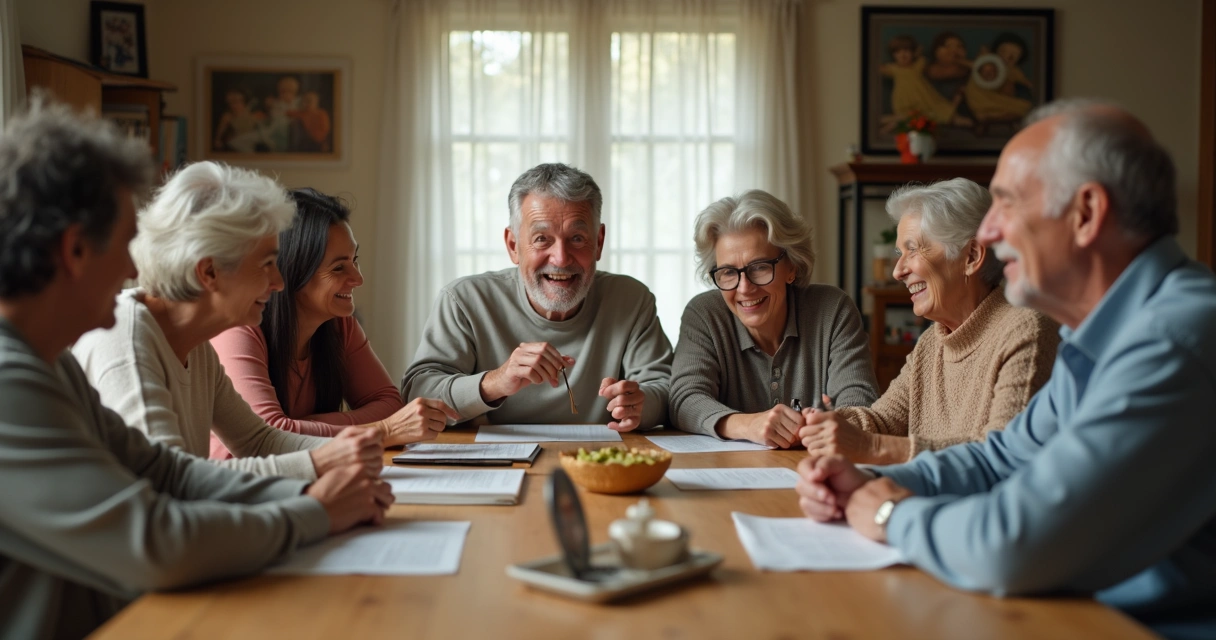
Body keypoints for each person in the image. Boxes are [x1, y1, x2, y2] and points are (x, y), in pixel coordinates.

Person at [796, 100, 1216, 639]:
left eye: (1006, 203)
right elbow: (1004, 457)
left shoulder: (1173, 340)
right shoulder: (1100, 331)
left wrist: (888, 515)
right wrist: (870, 480)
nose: (989, 233)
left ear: (1086, 213)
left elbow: (1014, 543)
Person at [0, 98, 391, 639]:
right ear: (74, 250)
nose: (132, 266)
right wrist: (315, 512)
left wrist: (315, 487)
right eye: (122, 242)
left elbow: (169, 471)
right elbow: (156, 539)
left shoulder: (50, 364)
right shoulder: (12, 380)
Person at [73, 161, 384, 481]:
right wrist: (321, 463)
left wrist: (345, 448)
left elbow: (259, 440)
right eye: (266, 264)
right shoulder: (127, 340)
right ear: (208, 272)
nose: (279, 282)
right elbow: (169, 479)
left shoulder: (194, 342)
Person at [798, 178, 1058, 463]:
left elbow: (1001, 457)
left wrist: (870, 447)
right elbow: (883, 421)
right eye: (900, 252)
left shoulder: (1026, 330)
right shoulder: (932, 342)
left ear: (971, 256)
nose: (898, 271)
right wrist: (827, 424)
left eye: (913, 249)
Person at [401, 163, 673, 431]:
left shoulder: (631, 300)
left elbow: (667, 389)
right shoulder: (464, 300)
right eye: (542, 239)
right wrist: (496, 382)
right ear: (513, 246)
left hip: (600, 461)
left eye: (577, 238)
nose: (561, 258)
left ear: (599, 242)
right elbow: (418, 393)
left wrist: (641, 404)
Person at [212, 187, 458, 454]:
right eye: (339, 267)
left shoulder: (340, 325)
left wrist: (302, 426)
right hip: (241, 489)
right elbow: (269, 438)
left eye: (355, 260)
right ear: (294, 272)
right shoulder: (239, 330)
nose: (358, 278)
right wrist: (383, 430)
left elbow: (389, 404)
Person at [669, 190, 878, 448]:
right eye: (728, 272)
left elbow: (860, 403)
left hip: (817, 472)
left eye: (760, 267)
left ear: (792, 266)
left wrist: (813, 429)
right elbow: (684, 399)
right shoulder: (704, 314)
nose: (744, 288)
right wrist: (748, 425)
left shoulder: (832, 310)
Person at [878, 36, 969, 131]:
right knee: (906, 117)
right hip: (905, 101)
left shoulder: (918, 65)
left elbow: (921, 55)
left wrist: (916, 53)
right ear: (893, 55)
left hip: (925, 101)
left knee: (946, 116)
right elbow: (878, 68)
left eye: (906, 51)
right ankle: (884, 122)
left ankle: (971, 122)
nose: (902, 54)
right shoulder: (893, 68)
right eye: (897, 52)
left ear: (912, 52)